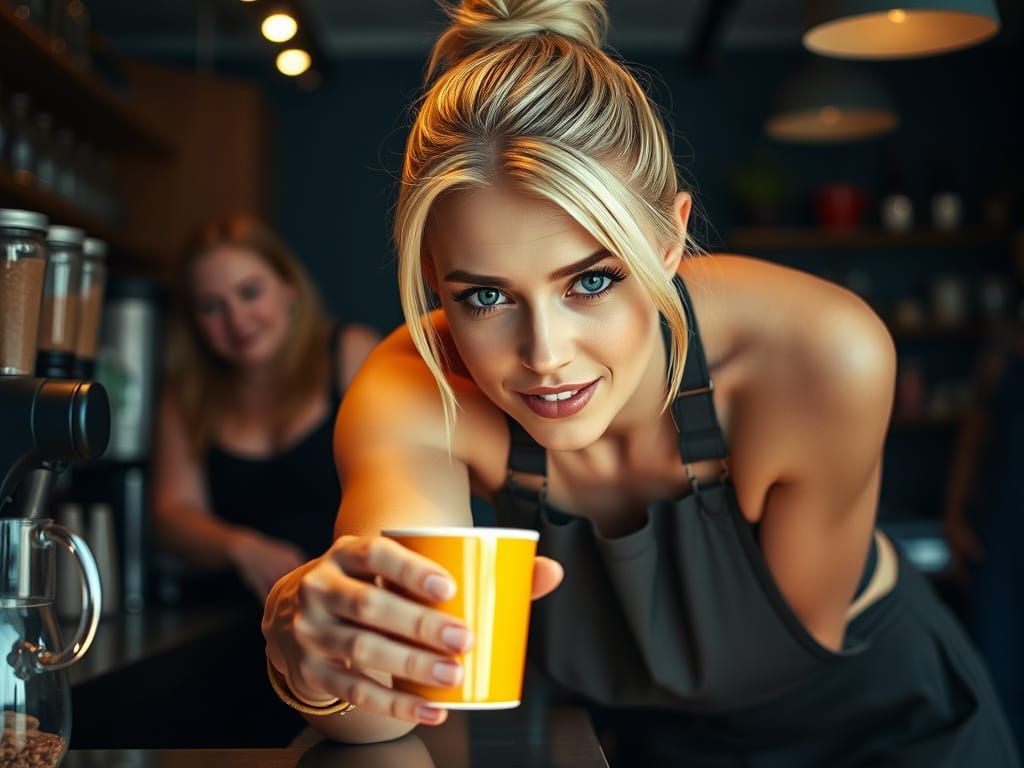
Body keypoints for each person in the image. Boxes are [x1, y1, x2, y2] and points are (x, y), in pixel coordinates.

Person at [261, 1, 1020, 764]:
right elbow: (391, 700)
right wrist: (318, 660)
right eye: (485, 296)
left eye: (590, 280)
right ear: (433, 281)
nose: (545, 355)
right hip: (653, 742)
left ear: (666, 241)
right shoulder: (413, 385)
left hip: (884, 723)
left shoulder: (821, 351)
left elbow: (780, 655)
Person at [154, 214, 380, 603]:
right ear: (193, 322)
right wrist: (241, 547)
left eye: (250, 292)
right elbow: (171, 513)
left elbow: (391, 489)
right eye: (211, 306)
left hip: (346, 607)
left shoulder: (348, 353)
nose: (237, 319)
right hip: (227, 616)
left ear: (289, 289)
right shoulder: (186, 390)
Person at [944, 236, 1024, 752]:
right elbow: (976, 429)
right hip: (1004, 520)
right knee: (997, 663)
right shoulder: (1006, 335)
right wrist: (952, 516)